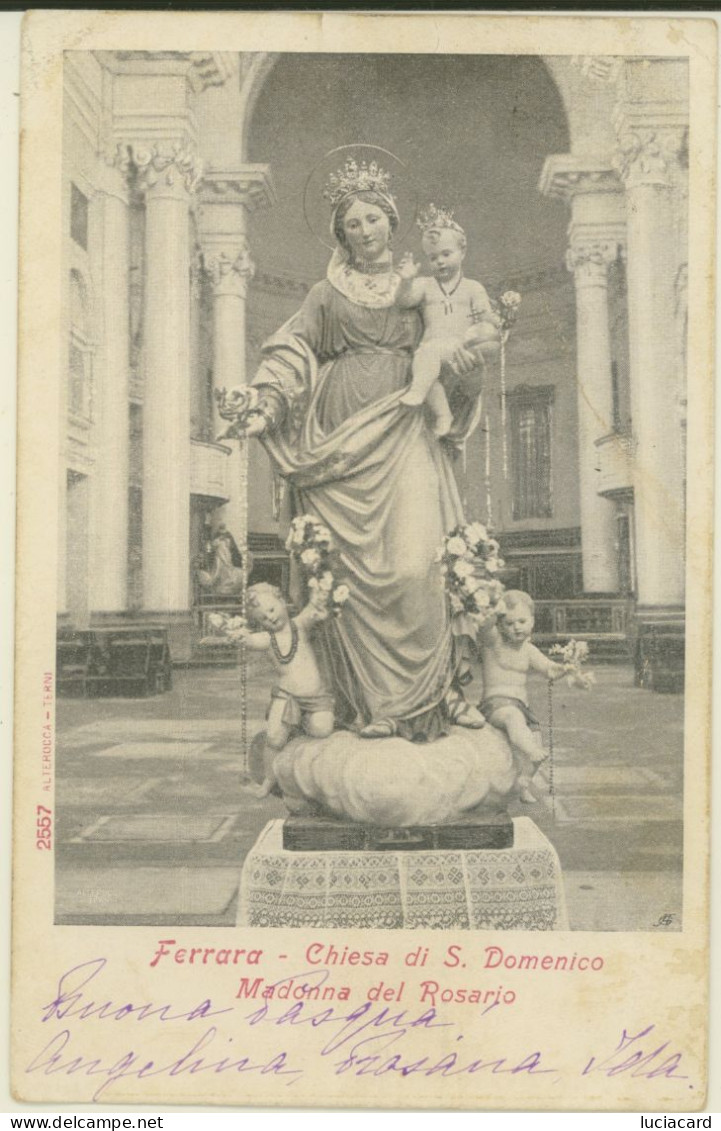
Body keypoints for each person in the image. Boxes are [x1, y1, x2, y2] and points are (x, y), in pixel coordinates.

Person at [238, 156, 489, 741]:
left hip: (405, 429)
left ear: (391, 221)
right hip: (338, 448)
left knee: (413, 567)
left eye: (373, 217)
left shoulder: (419, 289)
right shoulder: (325, 294)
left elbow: (451, 343)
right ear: (340, 233)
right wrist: (265, 401)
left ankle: (435, 696)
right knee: (344, 581)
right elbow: (290, 353)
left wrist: (462, 364)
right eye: (352, 223)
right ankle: (370, 708)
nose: (365, 230)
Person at [396, 206, 501, 436]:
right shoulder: (425, 285)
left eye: (446, 254)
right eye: (433, 258)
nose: (440, 262)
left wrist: (496, 321)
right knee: (425, 372)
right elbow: (404, 300)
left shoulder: (473, 288)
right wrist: (406, 281)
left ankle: (418, 393)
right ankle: (444, 415)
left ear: (462, 252)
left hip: (460, 350)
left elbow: (485, 317)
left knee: (424, 369)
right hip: (431, 351)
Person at [229, 583, 334, 797]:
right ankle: (267, 782)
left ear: (282, 601)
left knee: (322, 730)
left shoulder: (299, 625)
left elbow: (313, 609)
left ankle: (298, 733)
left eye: (271, 610)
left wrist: (319, 587)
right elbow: (251, 640)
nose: (270, 618)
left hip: (316, 697)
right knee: (274, 738)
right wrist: (239, 636)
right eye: (263, 618)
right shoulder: (268, 639)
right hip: (287, 697)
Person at [478, 590, 565, 802]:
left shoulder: (529, 650)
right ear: (500, 625)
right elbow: (484, 628)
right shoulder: (494, 643)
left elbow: (548, 669)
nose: (516, 627)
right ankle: (530, 751)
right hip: (496, 704)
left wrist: (567, 668)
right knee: (514, 720)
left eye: (522, 621)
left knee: (537, 743)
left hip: (522, 706)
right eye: (508, 623)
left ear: (532, 622)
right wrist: (493, 611)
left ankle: (524, 782)